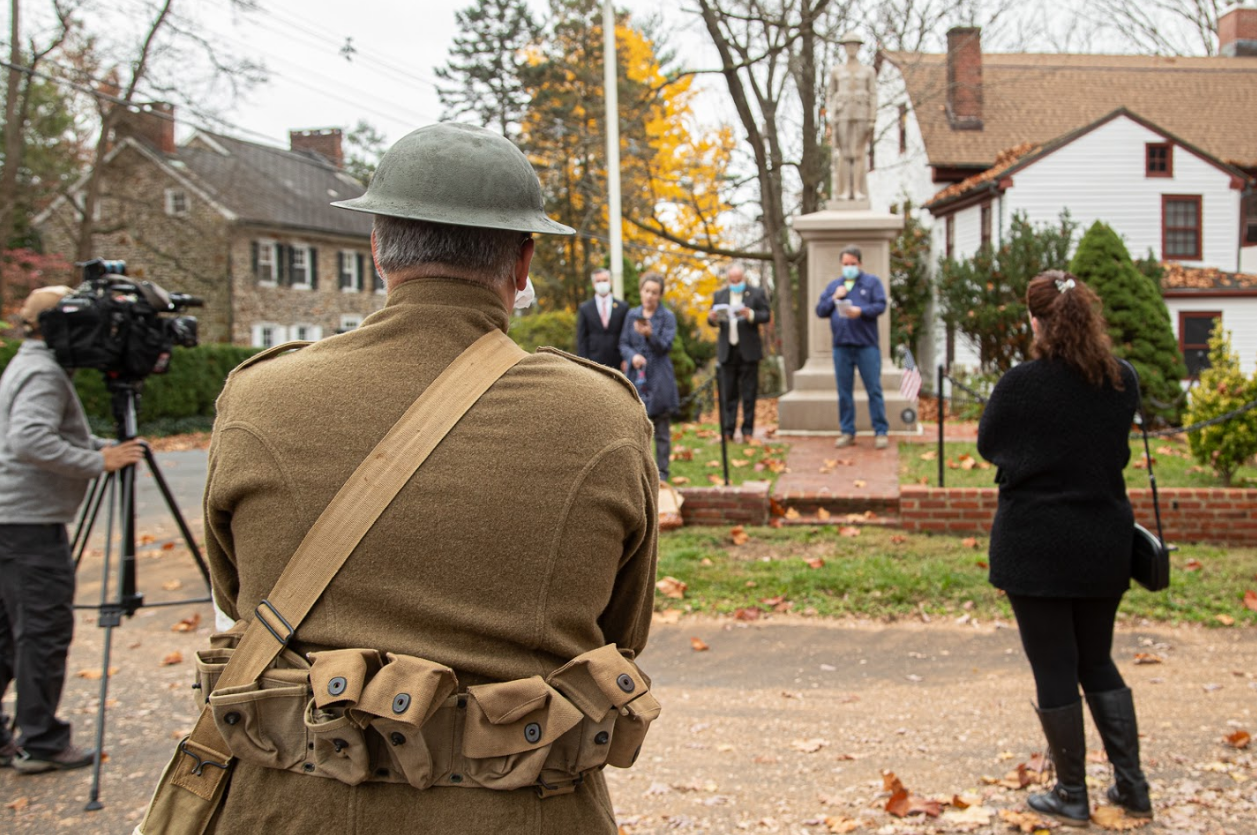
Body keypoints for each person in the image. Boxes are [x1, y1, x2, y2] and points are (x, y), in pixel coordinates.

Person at [203, 122, 660, 833]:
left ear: (378, 247)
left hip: (288, 809)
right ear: (523, 261)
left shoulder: (260, 396)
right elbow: (621, 628)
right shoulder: (602, 414)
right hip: (524, 811)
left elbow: (238, 597)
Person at [977, 271, 1150, 826]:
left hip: (1037, 543)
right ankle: (1132, 787)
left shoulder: (1021, 383)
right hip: (1104, 539)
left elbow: (989, 445)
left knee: (1055, 665)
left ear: (1034, 320)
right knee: (1096, 659)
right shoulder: (1121, 378)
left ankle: (1071, 793)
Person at [0, 286, 145, 773]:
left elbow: (40, 434)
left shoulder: (28, 363)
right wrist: (97, 461)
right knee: (42, 630)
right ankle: (40, 742)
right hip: (29, 524)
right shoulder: (43, 372)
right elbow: (29, 438)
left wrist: (100, 447)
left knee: (9, 632)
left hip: (12, 520)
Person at [815, 245, 888, 448]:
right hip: (841, 347)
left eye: (852, 264)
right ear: (841, 265)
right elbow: (820, 311)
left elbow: (881, 305)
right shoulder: (834, 286)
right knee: (844, 392)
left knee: (874, 389)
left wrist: (861, 311)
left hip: (866, 345)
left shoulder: (871, 283)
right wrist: (834, 298)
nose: (849, 267)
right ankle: (847, 431)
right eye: (845, 264)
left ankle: (880, 431)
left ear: (860, 264)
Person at [620, 272, 679, 482]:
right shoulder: (632, 315)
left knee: (661, 427)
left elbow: (666, 346)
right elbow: (623, 343)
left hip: (660, 377)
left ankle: (662, 473)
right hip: (637, 376)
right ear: (641, 291)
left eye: (654, 292)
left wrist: (649, 335)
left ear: (660, 295)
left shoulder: (668, 317)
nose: (650, 296)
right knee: (637, 425)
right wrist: (632, 355)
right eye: (647, 291)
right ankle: (640, 472)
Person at [707, 263, 771, 442]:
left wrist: (750, 314)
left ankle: (748, 431)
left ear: (744, 278)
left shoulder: (756, 293)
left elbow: (765, 314)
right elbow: (711, 319)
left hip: (749, 351)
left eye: (738, 280)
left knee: (749, 393)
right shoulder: (720, 295)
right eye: (732, 280)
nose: (735, 282)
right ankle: (727, 431)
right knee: (728, 394)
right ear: (729, 280)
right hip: (728, 351)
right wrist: (712, 318)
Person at [576, 268, 629, 371]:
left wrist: (626, 359)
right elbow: (581, 338)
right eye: (598, 281)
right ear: (593, 284)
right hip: (593, 362)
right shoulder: (585, 308)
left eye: (604, 280)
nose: (602, 284)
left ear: (610, 282)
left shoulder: (622, 307)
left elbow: (626, 335)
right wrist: (583, 362)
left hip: (617, 362)